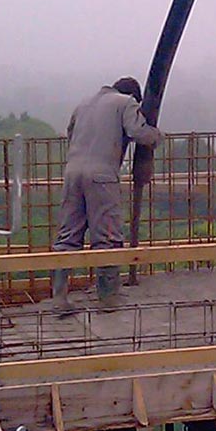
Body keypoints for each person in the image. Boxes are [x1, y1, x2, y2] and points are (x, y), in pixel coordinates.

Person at [51, 77, 162, 313]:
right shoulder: (126, 102)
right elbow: (137, 131)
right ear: (134, 96)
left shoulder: (84, 104)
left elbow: (70, 135)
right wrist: (156, 137)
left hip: (72, 172)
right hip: (101, 175)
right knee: (108, 237)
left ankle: (59, 298)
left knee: (68, 237)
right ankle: (108, 298)